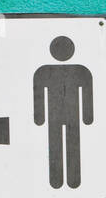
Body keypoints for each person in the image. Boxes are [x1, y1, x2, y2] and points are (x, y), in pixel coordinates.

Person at [33, 36, 93, 188]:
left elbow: (87, 94)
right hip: (67, 116)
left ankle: (64, 181)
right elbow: (38, 96)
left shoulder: (44, 71)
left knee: (62, 145)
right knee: (61, 145)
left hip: (63, 117)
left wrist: (39, 118)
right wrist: (88, 117)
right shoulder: (81, 71)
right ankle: (63, 180)